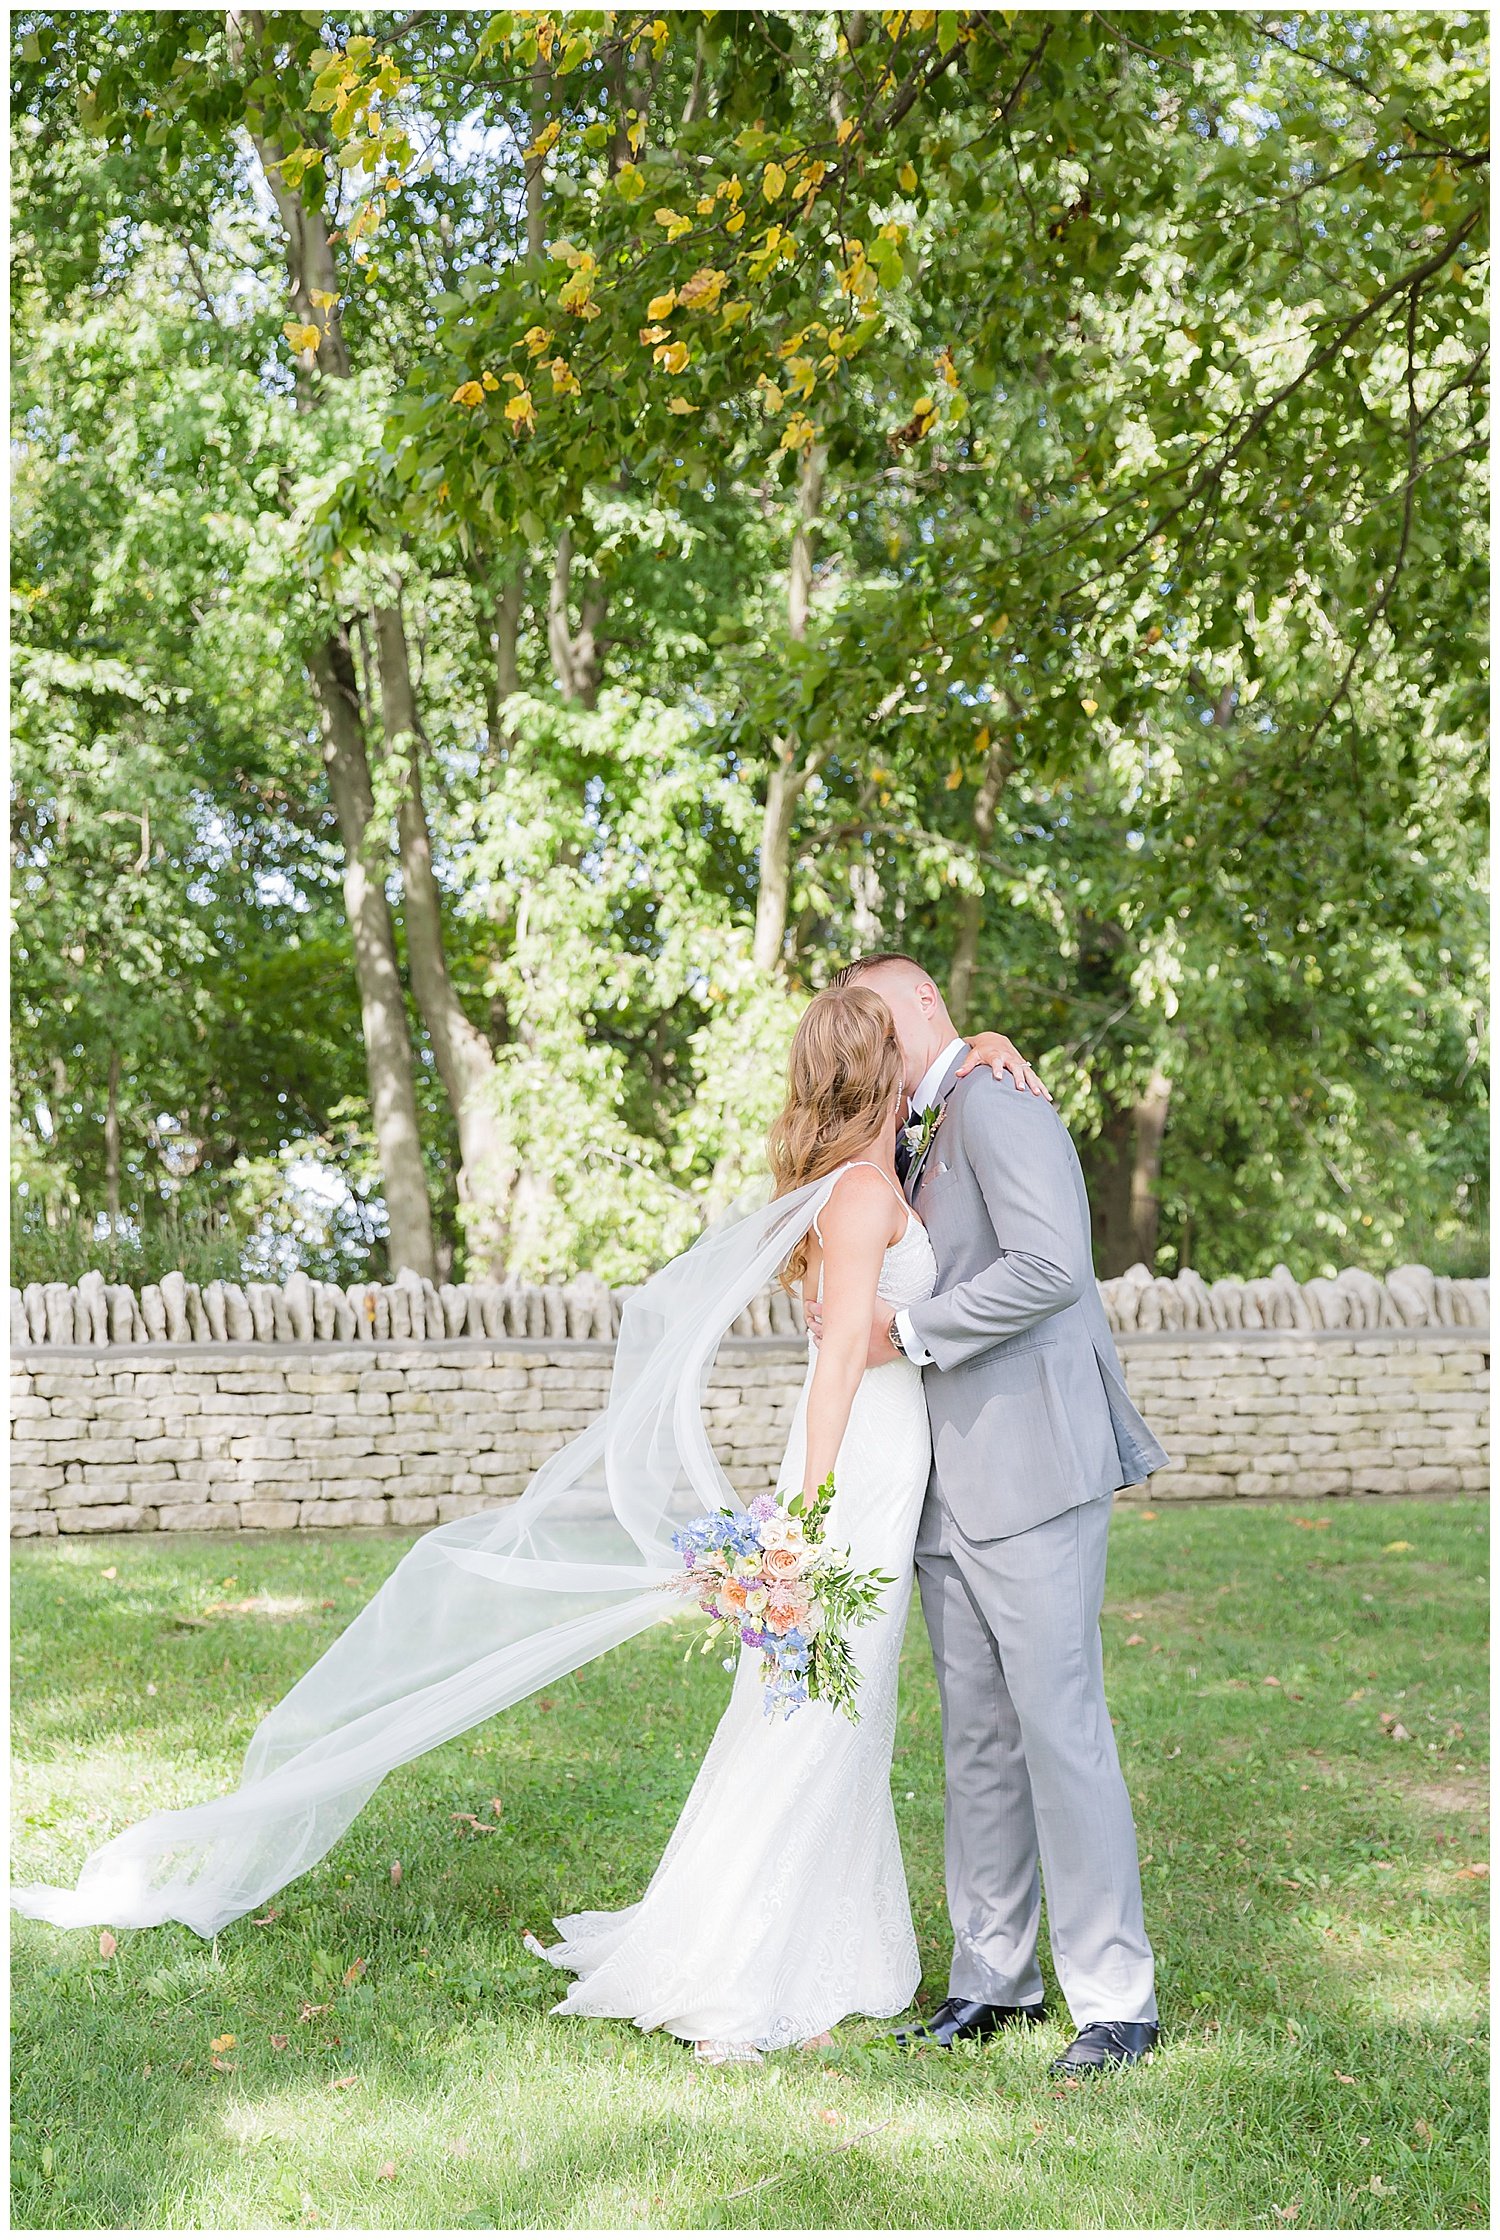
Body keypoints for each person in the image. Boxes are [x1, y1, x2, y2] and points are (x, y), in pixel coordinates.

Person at [11, 979, 1044, 2067]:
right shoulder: (867, 1197)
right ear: (880, 1073)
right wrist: (810, 1515)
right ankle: (749, 1968)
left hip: (856, 1466)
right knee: (817, 1714)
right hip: (855, 1479)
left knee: (818, 1709)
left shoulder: (854, 1181)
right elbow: (840, 1362)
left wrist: (985, 1036)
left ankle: (813, 1940)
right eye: (905, 1037)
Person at [806, 953, 1170, 2076]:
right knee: (975, 1738)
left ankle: (1116, 1997)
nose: (865, 1032)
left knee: (1061, 1726)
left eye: (876, 1010)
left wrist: (907, 1337)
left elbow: (1052, 1266)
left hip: (1031, 1466)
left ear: (921, 1003)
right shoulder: (915, 1125)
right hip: (944, 1487)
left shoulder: (998, 1101)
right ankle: (992, 1978)